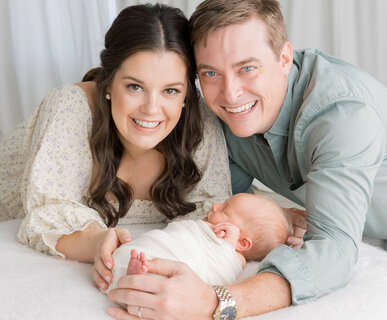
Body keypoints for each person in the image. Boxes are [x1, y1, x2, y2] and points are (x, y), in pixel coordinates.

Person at [105, 1, 387, 319]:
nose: (230, 95)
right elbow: (219, 205)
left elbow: (335, 251)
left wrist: (214, 302)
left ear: (284, 58)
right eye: (211, 73)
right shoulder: (224, 122)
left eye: (247, 68)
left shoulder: (343, 115)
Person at [0, 3, 234, 294]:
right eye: (135, 87)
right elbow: (46, 217)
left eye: (170, 90)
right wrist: (97, 242)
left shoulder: (199, 121)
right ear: (108, 83)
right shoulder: (70, 107)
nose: (151, 109)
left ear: (187, 94)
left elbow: (212, 212)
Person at [105, 193, 305, 297]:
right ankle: (136, 271)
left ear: (242, 242)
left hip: (175, 260)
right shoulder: (205, 227)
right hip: (164, 244)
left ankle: (140, 277)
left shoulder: (235, 259)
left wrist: (226, 245)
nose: (215, 206)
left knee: (166, 269)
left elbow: (219, 275)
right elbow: (180, 231)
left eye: (225, 211)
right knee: (151, 246)